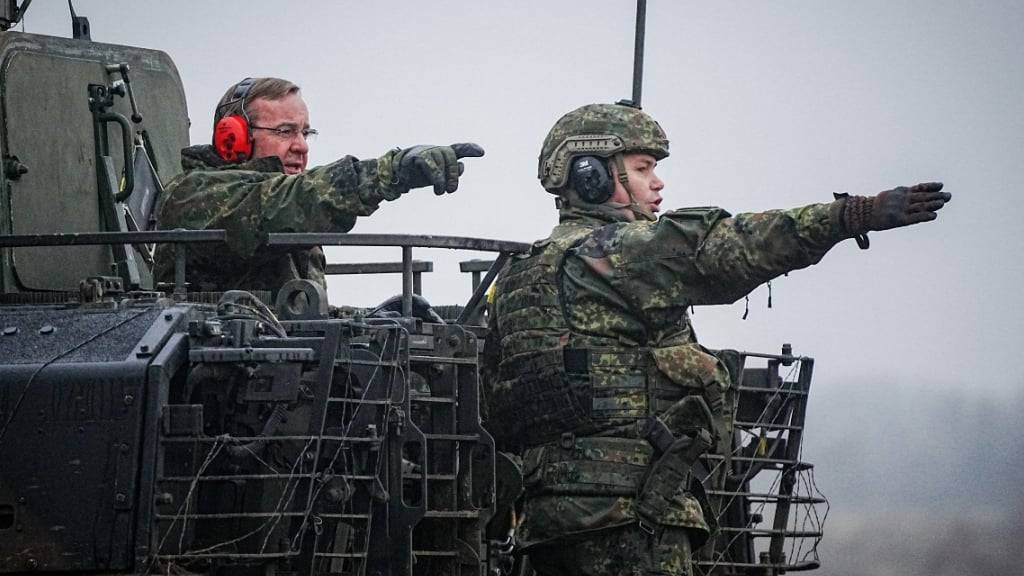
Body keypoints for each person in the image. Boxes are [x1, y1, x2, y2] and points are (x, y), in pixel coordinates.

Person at [483, 103, 950, 576]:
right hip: (634, 521)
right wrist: (852, 215)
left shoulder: (517, 279)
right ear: (590, 176)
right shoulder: (615, 255)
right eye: (643, 169)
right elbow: (731, 247)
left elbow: (497, 403)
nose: (658, 183)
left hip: (545, 528)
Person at [154, 77, 483, 297]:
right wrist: (391, 171)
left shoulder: (295, 210)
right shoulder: (192, 196)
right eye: (285, 132)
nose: (301, 146)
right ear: (233, 138)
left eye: (305, 133)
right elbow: (284, 202)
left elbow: (295, 318)